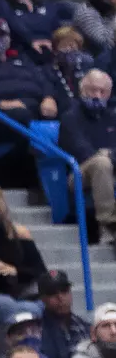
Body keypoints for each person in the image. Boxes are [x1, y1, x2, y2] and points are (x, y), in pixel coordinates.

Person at [58, 70, 116, 248]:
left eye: (102, 91)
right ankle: (110, 223)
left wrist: (110, 155)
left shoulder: (112, 117)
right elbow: (82, 151)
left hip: (111, 168)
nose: (97, 96)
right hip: (78, 173)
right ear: (82, 91)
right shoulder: (70, 117)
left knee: (105, 161)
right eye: (92, 90)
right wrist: (107, 155)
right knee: (101, 162)